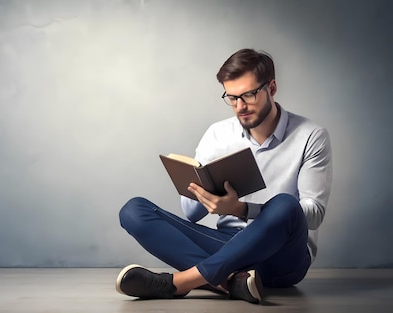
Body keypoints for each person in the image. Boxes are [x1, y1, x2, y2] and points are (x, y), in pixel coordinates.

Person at [116, 48, 333, 304]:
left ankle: (179, 283)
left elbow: (315, 213)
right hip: (224, 245)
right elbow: (192, 214)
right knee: (133, 211)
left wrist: (242, 209)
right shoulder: (217, 134)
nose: (240, 106)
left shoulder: (311, 136)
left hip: (282, 259)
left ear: (271, 88)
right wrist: (201, 189)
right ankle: (232, 282)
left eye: (249, 95)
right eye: (232, 97)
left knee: (286, 204)